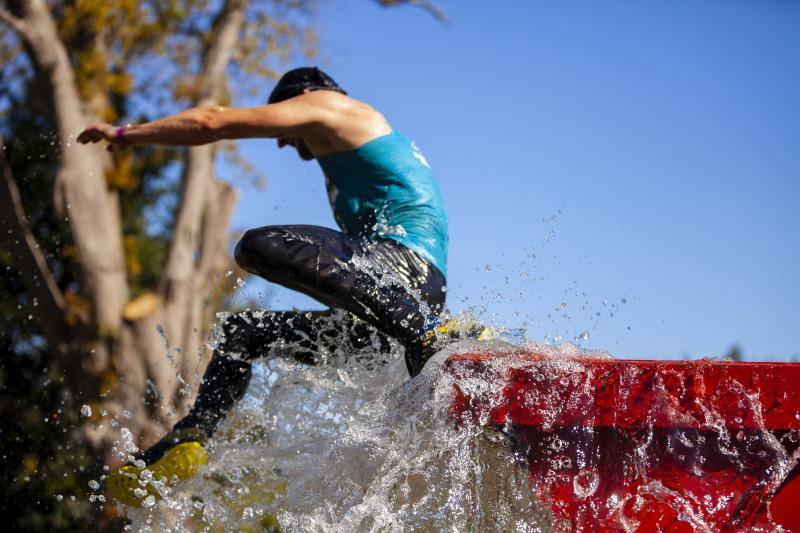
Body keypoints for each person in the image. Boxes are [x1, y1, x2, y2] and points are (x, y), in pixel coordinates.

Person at [78, 67, 451, 505]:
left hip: (404, 274)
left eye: (283, 115)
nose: (281, 140)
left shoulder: (332, 107)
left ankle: (430, 337)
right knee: (243, 332)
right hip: (389, 306)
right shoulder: (352, 149)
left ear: (306, 95)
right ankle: (192, 435)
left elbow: (211, 122)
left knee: (262, 245)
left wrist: (127, 135)